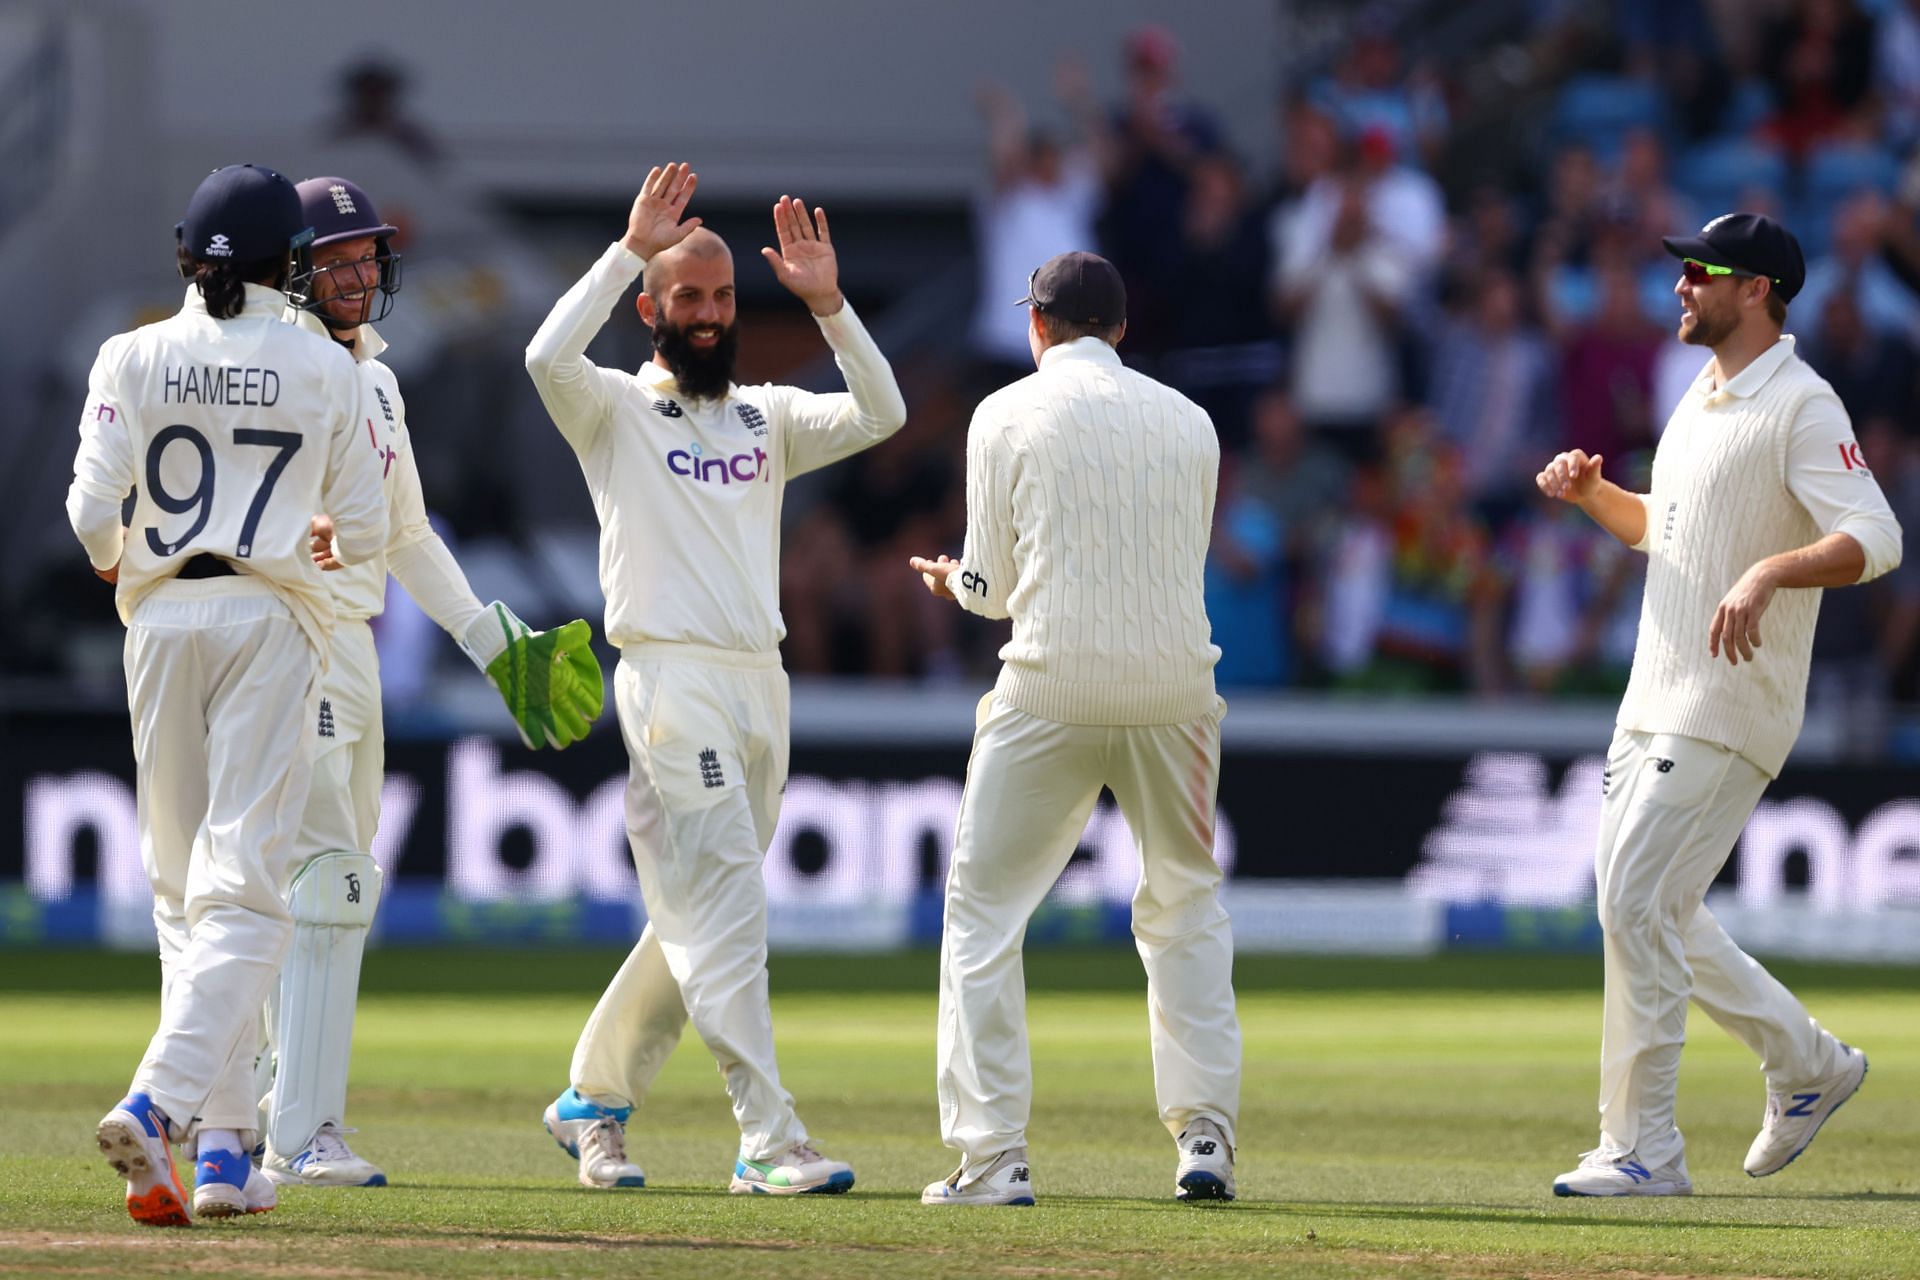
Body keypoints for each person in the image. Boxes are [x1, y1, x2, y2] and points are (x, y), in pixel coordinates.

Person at [524, 163, 906, 1195]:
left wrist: (828, 306)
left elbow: (881, 411)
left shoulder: (765, 417)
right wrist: (624, 249)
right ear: (650, 307)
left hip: (758, 684)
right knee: (728, 910)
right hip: (669, 681)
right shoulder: (611, 411)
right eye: (685, 297)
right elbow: (543, 352)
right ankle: (767, 1139)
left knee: (698, 915)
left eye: (723, 297)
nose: (706, 315)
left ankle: (591, 1100)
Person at [1536, 212, 1902, 1197]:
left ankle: (1645, 1146)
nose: (1679, 287)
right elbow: (1671, 529)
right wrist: (1596, 494)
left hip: (1730, 703)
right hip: (1651, 694)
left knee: (1636, 900)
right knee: (1649, 908)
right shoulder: (1698, 394)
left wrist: (1771, 573)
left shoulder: (1804, 402)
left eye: (1699, 272)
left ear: (1756, 290)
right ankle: (1810, 1062)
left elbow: (1877, 535)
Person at [248, 176, 603, 1189]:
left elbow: (407, 532)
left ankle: (266, 1101)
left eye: (368, 256)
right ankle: (296, 1125)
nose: (358, 274)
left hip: (353, 644)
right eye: (338, 257)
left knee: (330, 882)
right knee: (322, 882)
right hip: (290, 634)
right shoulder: (277, 366)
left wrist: (495, 642)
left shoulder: (379, 380)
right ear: (294, 269)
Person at [67, 164, 389, 1224]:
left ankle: (219, 1153)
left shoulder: (132, 350)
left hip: (158, 620)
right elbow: (360, 526)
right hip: (270, 616)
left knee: (179, 892)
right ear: (285, 265)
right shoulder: (325, 366)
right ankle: (162, 1107)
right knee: (246, 891)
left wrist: (122, 557)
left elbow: (87, 511)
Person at [908, 251, 1240, 1206]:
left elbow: (993, 589)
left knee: (981, 915)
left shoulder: (1003, 412)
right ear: (1122, 332)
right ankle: (1206, 1137)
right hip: (1175, 695)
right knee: (1184, 904)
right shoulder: (1193, 421)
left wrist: (949, 582)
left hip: (1049, 690)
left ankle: (992, 1157)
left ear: (1038, 326)